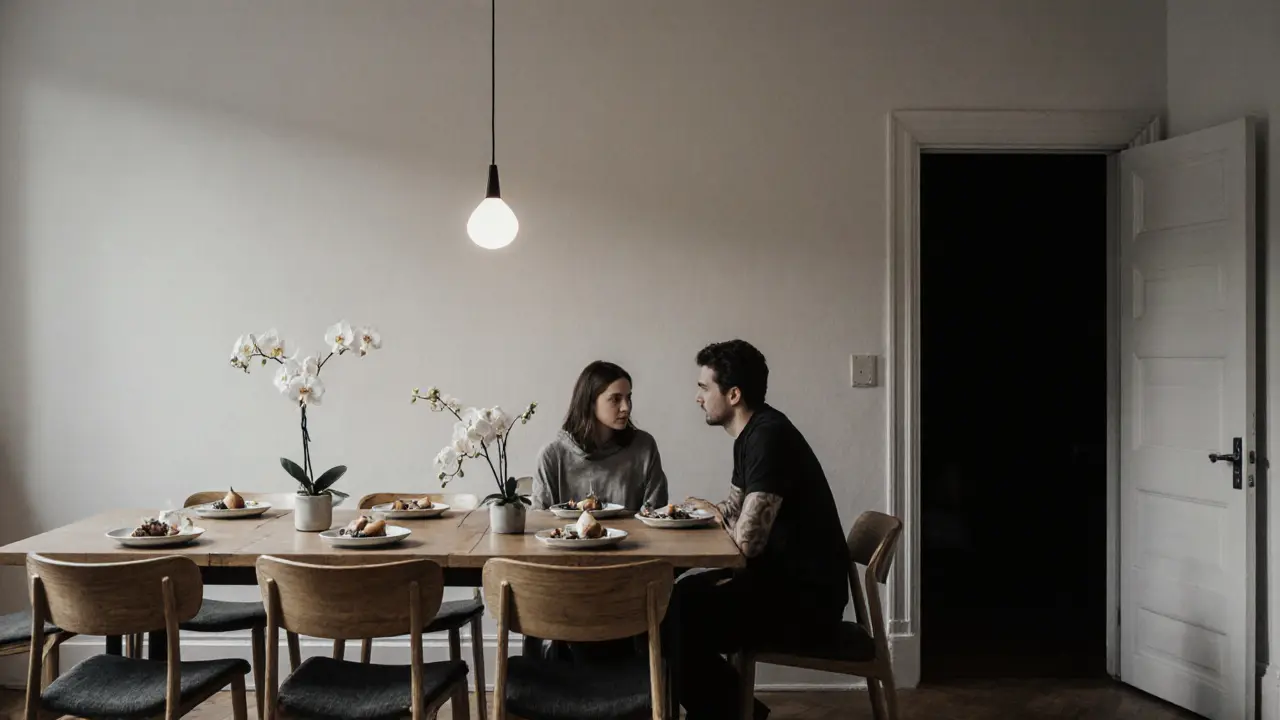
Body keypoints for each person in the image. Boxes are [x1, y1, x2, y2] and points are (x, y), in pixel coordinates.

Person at [670, 340, 851, 720]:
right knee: (673, 598)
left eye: (705, 388)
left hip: (805, 601)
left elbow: (748, 541)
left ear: (733, 394)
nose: (698, 398)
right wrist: (711, 514)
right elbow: (734, 510)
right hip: (778, 584)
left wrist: (718, 517)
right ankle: (739, 710)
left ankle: (734, 713)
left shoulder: (769, 437)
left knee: (670, 618)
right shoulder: (749, 435)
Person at [532, 360, 669, 511]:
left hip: (636, 535)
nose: (626, 407)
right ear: (590, 402)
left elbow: (657, 515)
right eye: (615, 399)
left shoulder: (644, 446)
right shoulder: (552, 456)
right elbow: (540, 521)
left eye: (628, 398)